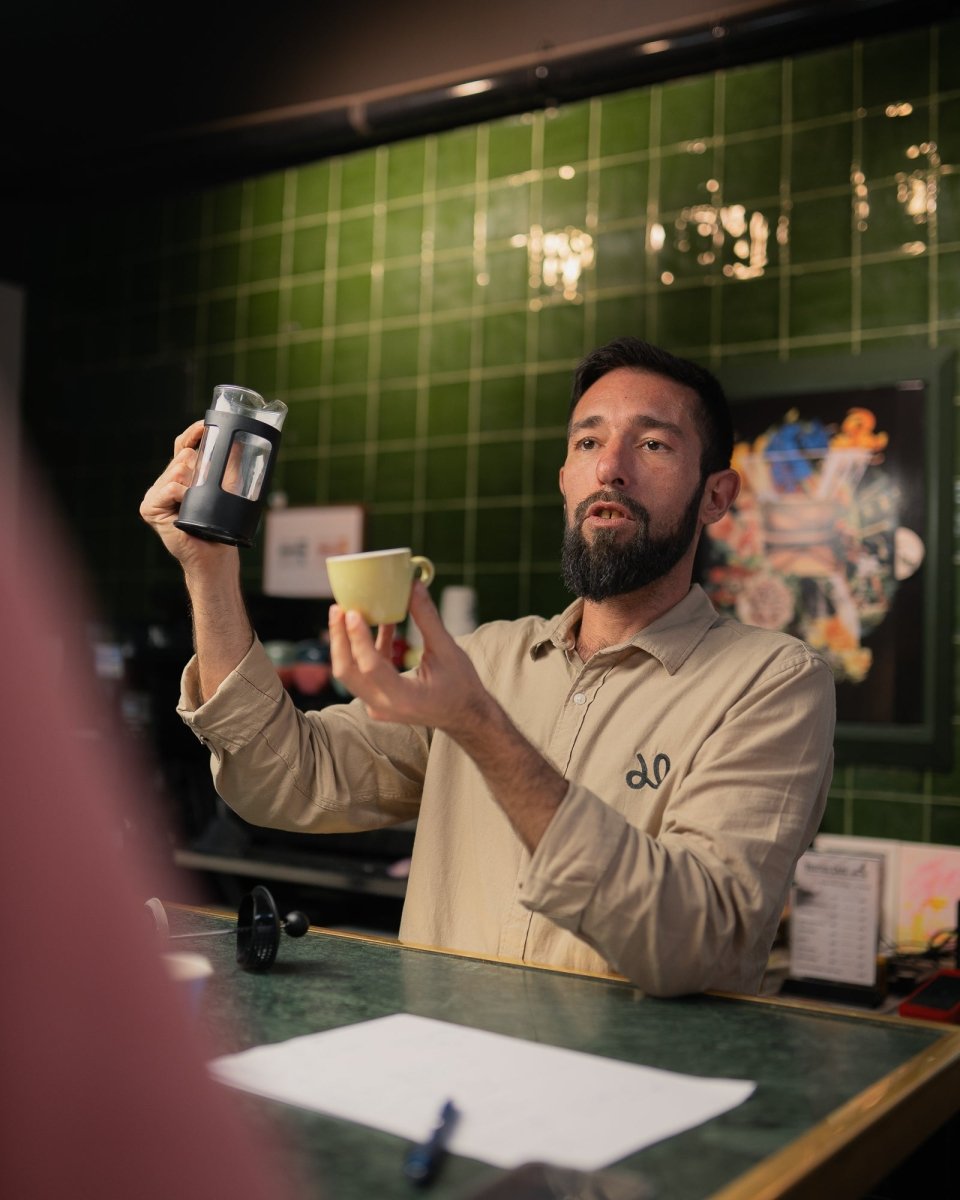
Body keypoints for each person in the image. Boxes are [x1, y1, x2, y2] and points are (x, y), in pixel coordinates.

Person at [140, 337, 835, 997]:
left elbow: (696, 941)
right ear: (565, 478)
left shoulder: (773, 681)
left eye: (652, 444)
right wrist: (211, 570)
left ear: (717, 495)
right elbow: (282, 779)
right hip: (443, 1079)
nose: (610, 466)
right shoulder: (488, 658)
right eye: (588, 441)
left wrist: (478, 725)